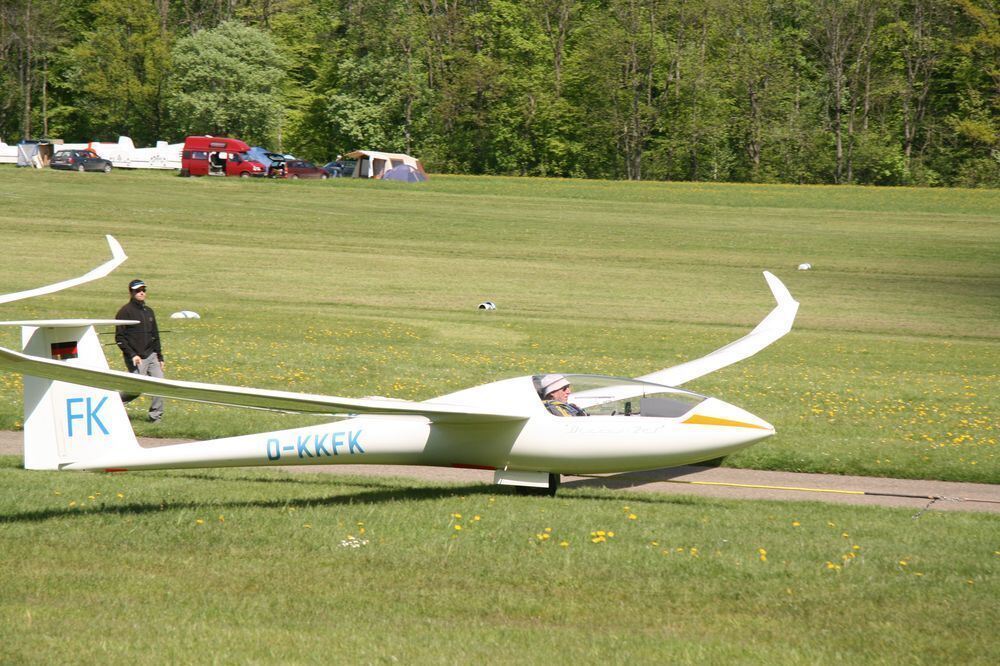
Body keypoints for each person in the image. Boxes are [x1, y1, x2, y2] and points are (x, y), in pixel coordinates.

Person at [115, 278, 165, 422]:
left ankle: (156, 417)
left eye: (143, 290)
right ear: (131, 292)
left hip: (152, 355)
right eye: (138, 290)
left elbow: (155, 335)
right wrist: (132, 355)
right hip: (136, 357)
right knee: (136, 389)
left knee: (160, 385)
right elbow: (119, 338)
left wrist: (160, 357)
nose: (141, 293)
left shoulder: (149, 311)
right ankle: (114, 402)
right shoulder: (124, 312)